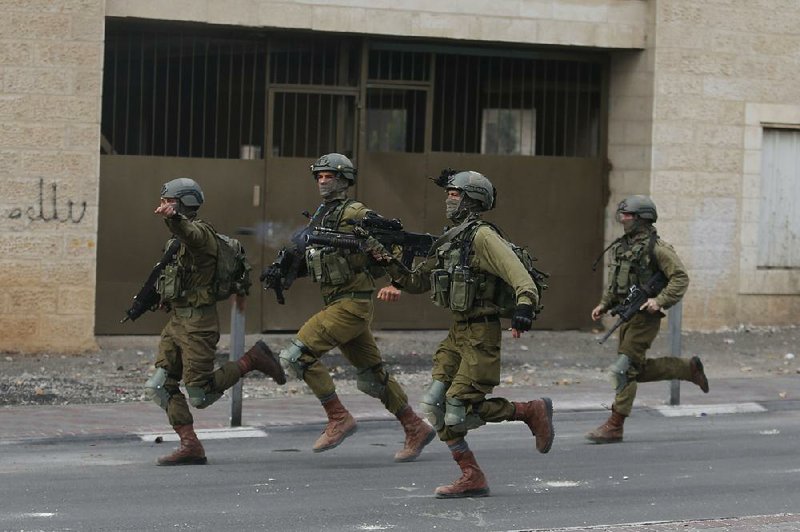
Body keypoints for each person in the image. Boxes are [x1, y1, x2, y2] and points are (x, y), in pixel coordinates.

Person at [375, 170, 554, 499]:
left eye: (455, 194)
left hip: (481, 333)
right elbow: (416, 281)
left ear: (473, 199)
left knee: (458, 410)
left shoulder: (483, 237)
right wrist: (385, 258)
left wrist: (524, 307)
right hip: (458, 332)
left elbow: (519, 276)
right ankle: (471, 475)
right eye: (449, 193)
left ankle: (530, 410)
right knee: (433, 405)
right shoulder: (451, 239)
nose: (449, 199)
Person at [253, 153, 435, 462]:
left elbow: (395, 244)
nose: (323, 181)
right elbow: (318, 259)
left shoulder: (356, 213)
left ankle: (338, 417)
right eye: (319, 176)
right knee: (373, 375)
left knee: (297, 355)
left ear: (345, 180)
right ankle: (414, 425)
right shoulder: (322, 216)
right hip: (342, 303)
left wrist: (397, 282)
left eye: (330, 176)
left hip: (352, 305)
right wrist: (284, 272)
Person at [148, 178, 286, 466]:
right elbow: (177, 275)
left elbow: (191, 233)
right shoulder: (176, 241)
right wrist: (165, 297)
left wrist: (174, 219)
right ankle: (191, 444)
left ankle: (254, 359)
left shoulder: (200, 235)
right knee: (160, 385)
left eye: (168, 201)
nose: (162, 206)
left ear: (183, 203)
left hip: (199, 324)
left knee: (200, 394)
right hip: (177, 321)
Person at [586, 194, 709, 444]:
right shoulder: (623, 246)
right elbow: (617, 282)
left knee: (623, 370)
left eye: (628, 215)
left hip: (645, 318)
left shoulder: (658, 248)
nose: (623, 219)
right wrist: (604, 304)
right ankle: (688, 368)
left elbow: (680, 277)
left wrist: (659, 301)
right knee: (635, 370)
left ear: (642, 218)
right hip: (626, 315)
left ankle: (615, 425)